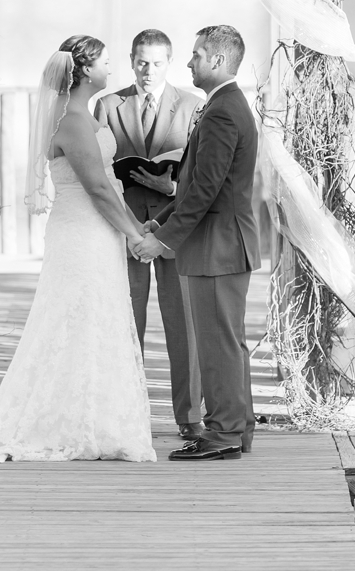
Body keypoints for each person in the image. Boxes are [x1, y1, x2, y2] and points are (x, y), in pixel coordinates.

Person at [0, 35, 156, 464]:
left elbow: (107, 186)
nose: (112, 69)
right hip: (83, 233)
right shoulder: (72, 122)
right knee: (79, 317)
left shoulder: (80, 115)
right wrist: (134, 235)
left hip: (94, 231)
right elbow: (97, 189)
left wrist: (132, 226)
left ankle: (93, 416)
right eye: (107, 62)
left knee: (95, 318)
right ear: (86, 70)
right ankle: (78, 422)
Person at [134, 25, 261, 461]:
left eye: (197, 55)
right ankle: (237, 426)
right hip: (220, 243)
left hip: (218, 244)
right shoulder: (220, 104)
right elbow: (194, 187)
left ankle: (223, 432)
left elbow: (206, 191)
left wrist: (163, 241)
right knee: (227, 339)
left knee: (217, 341)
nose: (189, 62)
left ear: (219, 61)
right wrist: (161, 222)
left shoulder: (224, 110)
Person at [94, 29, 204, 440]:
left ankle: (190, 418)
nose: (148, 70)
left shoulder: (194, 106)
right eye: (141, 61)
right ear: (131, 59)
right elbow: (100, 173)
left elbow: (203, 178)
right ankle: (126, 415)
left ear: (170, 62)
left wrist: (169, 188)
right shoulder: (107, 104)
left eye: (157, 63)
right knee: (125, 325)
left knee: (184, 328)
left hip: (175, 229)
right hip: (124, 229)